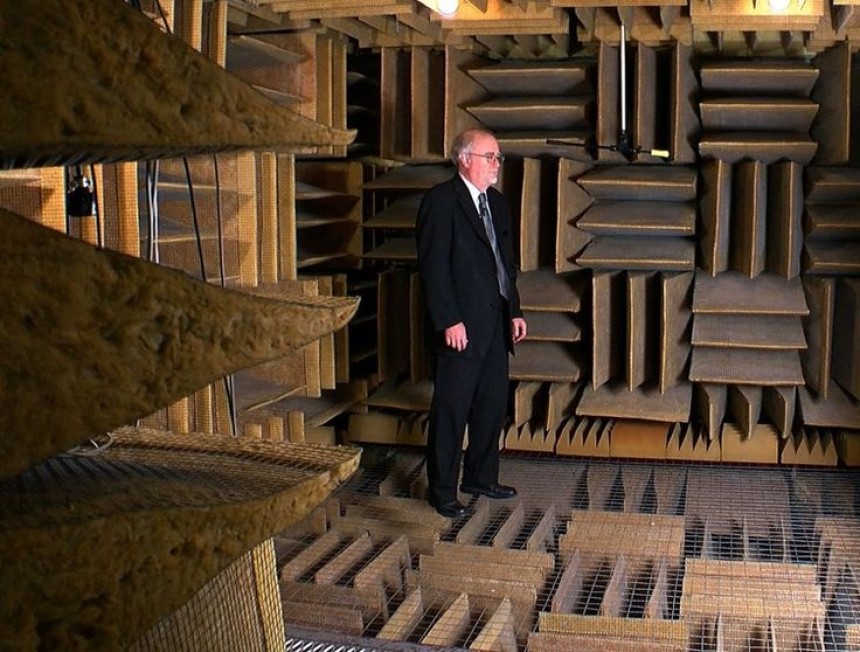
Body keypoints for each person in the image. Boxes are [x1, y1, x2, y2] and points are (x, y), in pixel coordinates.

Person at [416, 127, 528, 518]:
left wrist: (513, 309)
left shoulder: (497, 204)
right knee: (452, 411)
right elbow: (433, 268)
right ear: (464, 158)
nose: (496, 164)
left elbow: (504, 265)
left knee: (491, 407)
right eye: (489, 157)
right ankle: (442, 490)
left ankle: (480, 476)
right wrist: (449, 319)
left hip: (495, 324)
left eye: (498, 157)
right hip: (460, 326)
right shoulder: (441, 202)